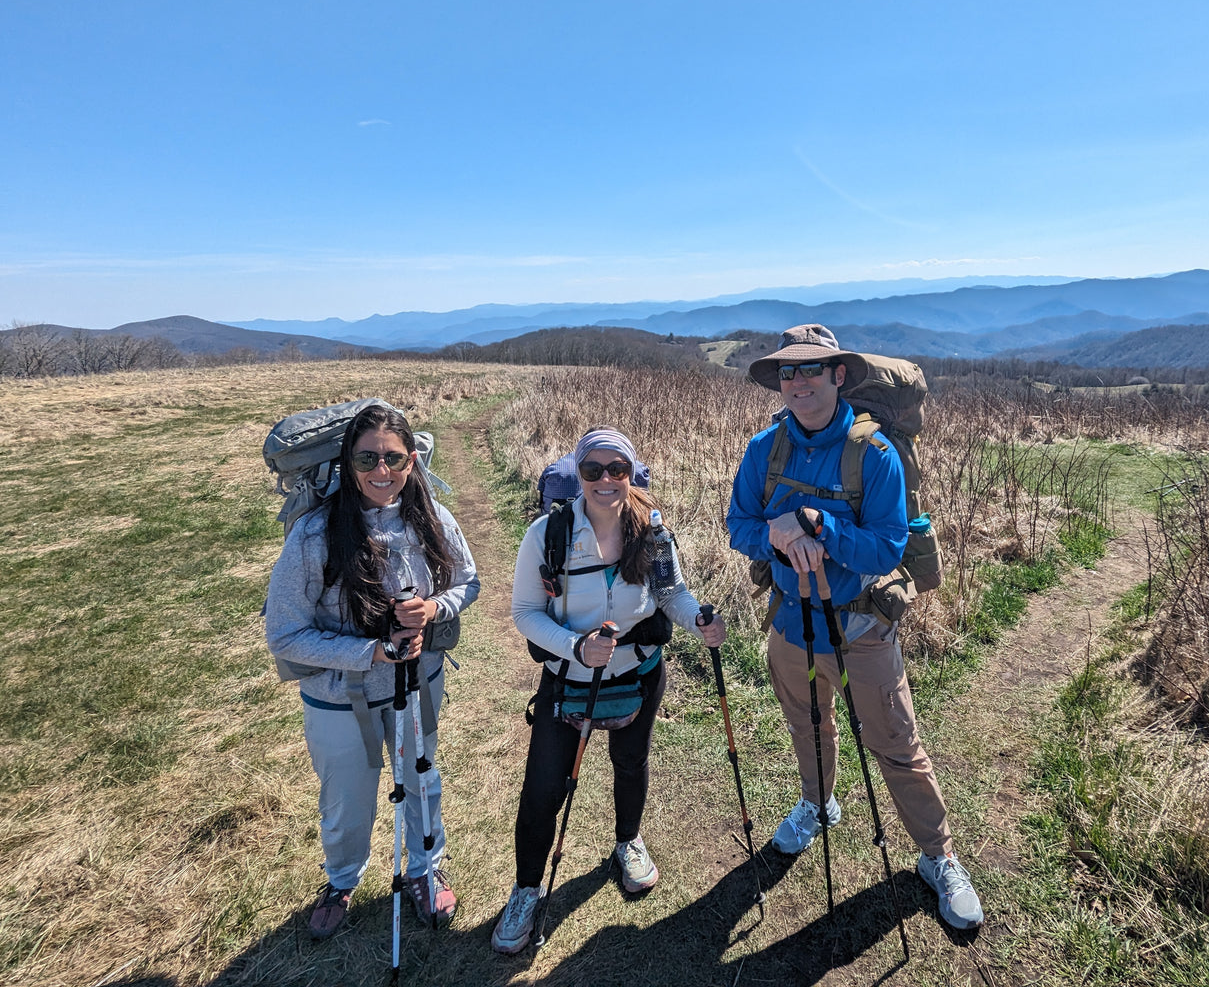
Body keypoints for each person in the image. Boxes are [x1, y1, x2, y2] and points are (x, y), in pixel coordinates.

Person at [726, 324, 984, 930]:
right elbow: (737, 523)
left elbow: (887, 549)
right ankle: (818, 804)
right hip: (790, 624)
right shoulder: (765, 448)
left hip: (862, 627)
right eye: (788, 372)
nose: (798, 383)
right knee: (807, 725)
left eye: (811, 370)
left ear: (839, 376)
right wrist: (776, 528)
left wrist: (820, 527)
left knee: (895, 744)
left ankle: (939, 856)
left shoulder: (876, 455)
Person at [492, 426, 726, 954]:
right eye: (592, 470)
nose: (604, 479)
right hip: (569, 678)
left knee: (631, 762)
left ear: (629, 474)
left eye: (616, 469)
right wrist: (576, 647)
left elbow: (671, 593)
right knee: (543, 788)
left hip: (640, 671)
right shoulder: (546, 535)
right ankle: (527, 890)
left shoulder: (651, 529)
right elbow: (525, 613)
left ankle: (627, 843)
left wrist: (700, 621)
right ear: (578, 474)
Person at [265, 404, 479, 940]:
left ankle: (423, 871)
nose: (382, 472)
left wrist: (435, 610)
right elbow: (285, 633)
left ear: (411, 461)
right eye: (367, 458)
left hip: (417, 687)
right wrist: (372, 654)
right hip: (340, 697)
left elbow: (467, 581)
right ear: (347, 461)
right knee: (346, 796)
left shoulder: (431, 519)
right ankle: (341, 881)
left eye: (394, 458)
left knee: (421, 781)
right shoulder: (314, 535)